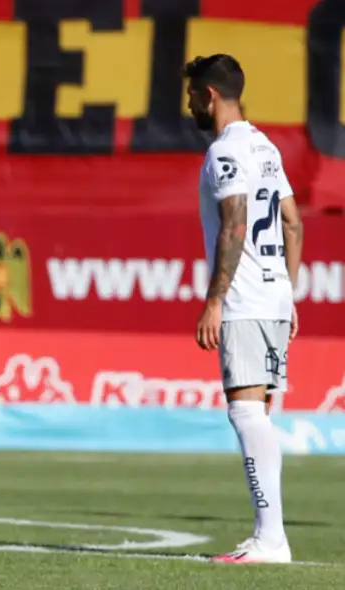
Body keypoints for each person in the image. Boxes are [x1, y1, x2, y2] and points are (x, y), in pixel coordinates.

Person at [187, 54, 303, 564]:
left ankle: (270, 538)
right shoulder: (267, 147)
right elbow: (293, 223)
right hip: (274, 296)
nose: (188, 102)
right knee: (257, 413)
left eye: (192, 93)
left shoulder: (226, 151)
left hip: (246, 299)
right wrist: (288, 289)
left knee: (246, 412)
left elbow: (234, 222)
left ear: (209, 94)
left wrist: (215, 300)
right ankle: (269, 535)